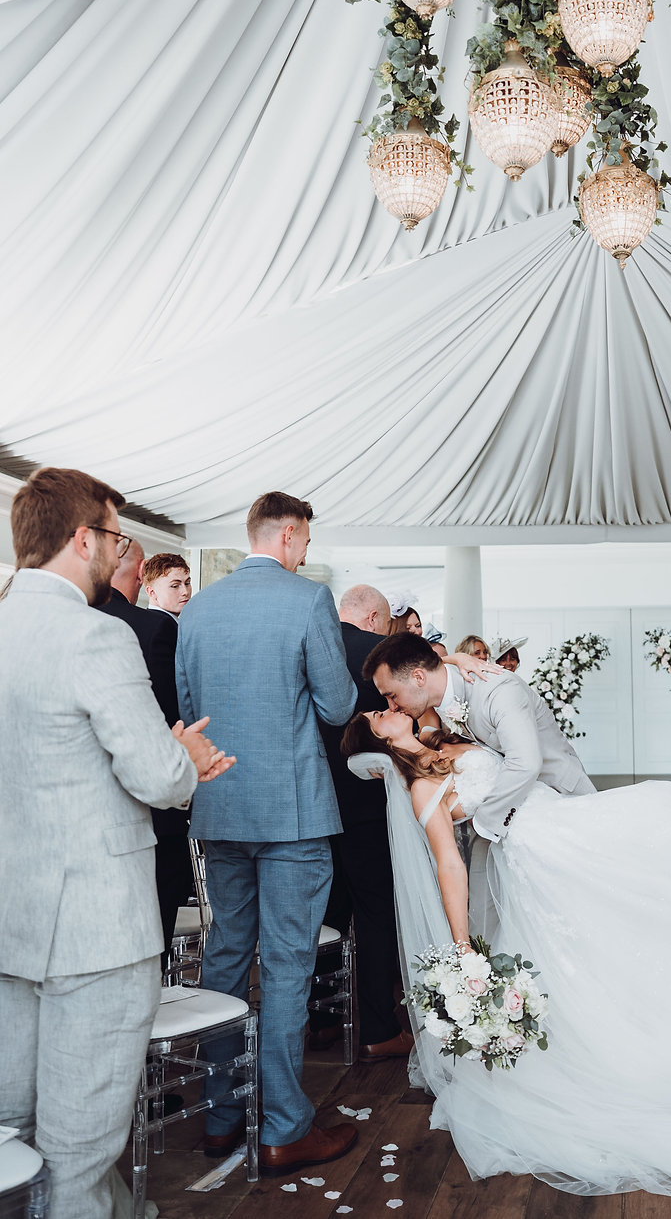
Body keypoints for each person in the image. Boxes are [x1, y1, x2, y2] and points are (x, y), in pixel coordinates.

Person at [345, 700, 671, 1198]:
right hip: (542, 847)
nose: (387, 707)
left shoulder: (441, 739)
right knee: (659, 823)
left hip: (557, 817)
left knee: (663, 834)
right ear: (380, 743)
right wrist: (463, 948)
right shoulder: (421, 789)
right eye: (378, 715)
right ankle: (640, 1046)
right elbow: (449, 864)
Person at [0, 467, 230, 1219]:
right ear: (82, 539)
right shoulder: (96, 635)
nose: (119, 551)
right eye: (116, 537)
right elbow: (157, 777)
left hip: (9, 921)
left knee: (13, 1135)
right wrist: (183, 755)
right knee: (79, 1149)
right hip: (93, 929)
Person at [175, 491, 358, 1177]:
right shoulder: (308, 600)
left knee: (225, 955)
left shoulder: (198, 608)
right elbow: (338, 705)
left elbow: (190, 712)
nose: (306, 552)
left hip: (220, 804)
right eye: (305, 539)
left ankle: (221, 1117)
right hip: (292, 813)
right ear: (287, 533)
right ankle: (282, 1126)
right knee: (286, 963)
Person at [312, 583, 413, 1061]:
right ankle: (377, 1028)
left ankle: (322, 1020)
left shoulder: (312, 648)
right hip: (368, 801)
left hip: (315, 803)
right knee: (374, 914)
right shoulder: (379, 654)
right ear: (374, 618)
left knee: (326, 913)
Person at [365, 633, 595, 840]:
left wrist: (485, 822)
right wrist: (454, 658)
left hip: (563, 799)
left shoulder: (498, 690)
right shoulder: (440, 697)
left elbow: (525, 763)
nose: (391, 707)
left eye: (392, 695)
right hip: (523, 819)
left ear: (418, 678)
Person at [96, 540, 192, 971]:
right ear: (142, 577)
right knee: (153, 917)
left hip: (87, 806)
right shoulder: (154, 628)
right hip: (150, 804)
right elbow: (170, 717)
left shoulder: (72, 619)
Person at [143, 552, 191, 617]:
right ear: (152, 592)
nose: (186, 592)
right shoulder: (162, 622)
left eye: (187, 583)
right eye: (175, 586)